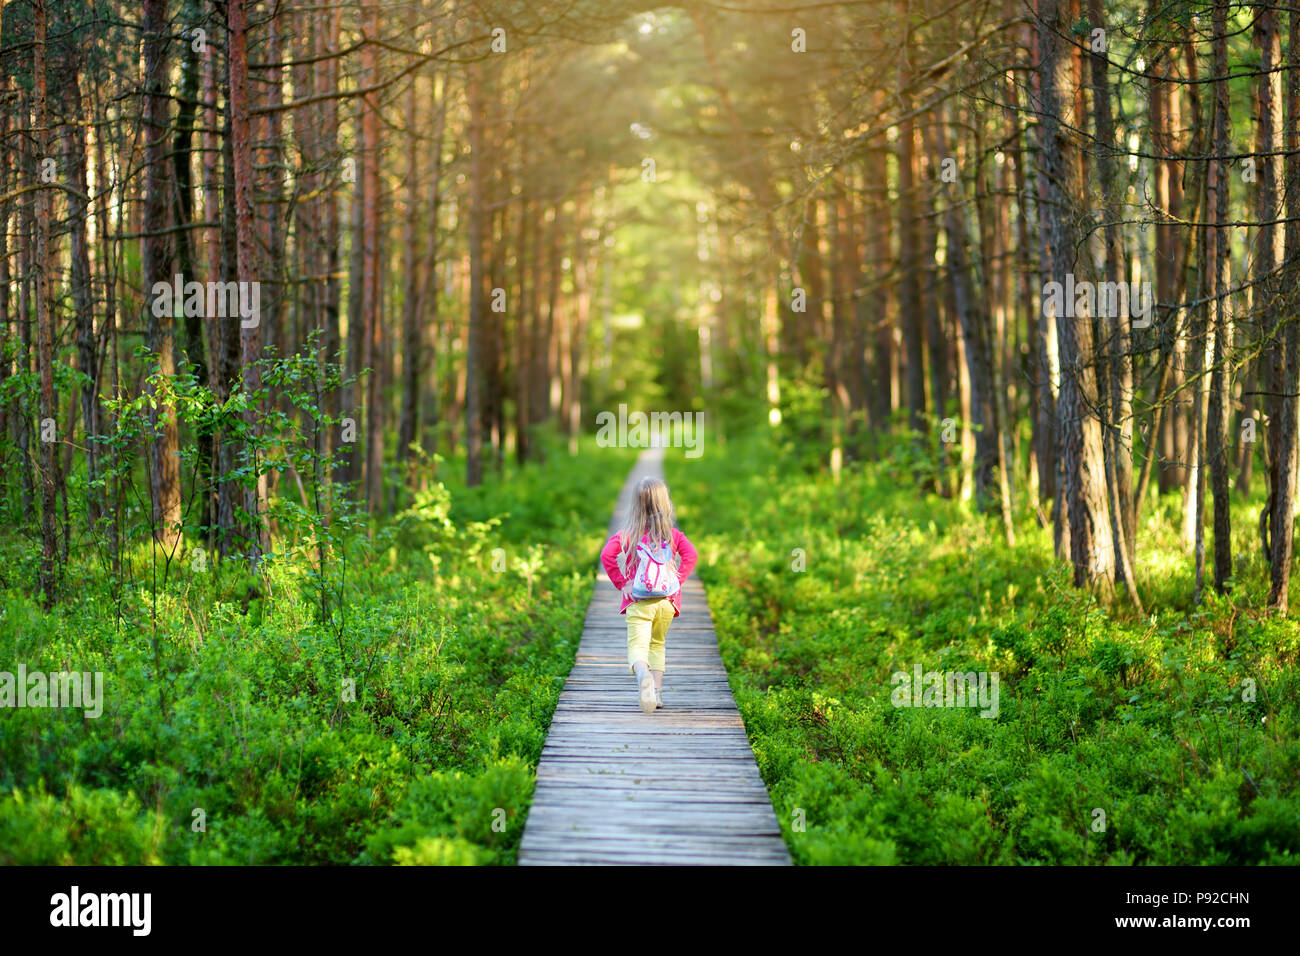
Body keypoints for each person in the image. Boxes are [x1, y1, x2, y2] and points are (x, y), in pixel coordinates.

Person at [599, 477, 698, 714]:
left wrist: (622, 583)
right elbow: (691, 555)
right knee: (657, 644)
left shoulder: (629, 534)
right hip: (666, 601)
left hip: (638, 600)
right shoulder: (674, 535)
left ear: (636, 506)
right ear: (666, 504)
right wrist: (677, 581)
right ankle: (658, 692)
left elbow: (606, 555)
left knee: (637, 646)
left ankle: (642, 675)